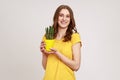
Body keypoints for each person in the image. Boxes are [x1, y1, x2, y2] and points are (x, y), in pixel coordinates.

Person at [40, 5, 82, 80]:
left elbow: (76, 66)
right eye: (61, 15)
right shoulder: (48, 36)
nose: (64, 19)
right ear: (56, 17)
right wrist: (44, 54)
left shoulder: (74, 37)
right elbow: (46, 67)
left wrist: (57, 53)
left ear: (70, 19)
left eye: (67, 16)